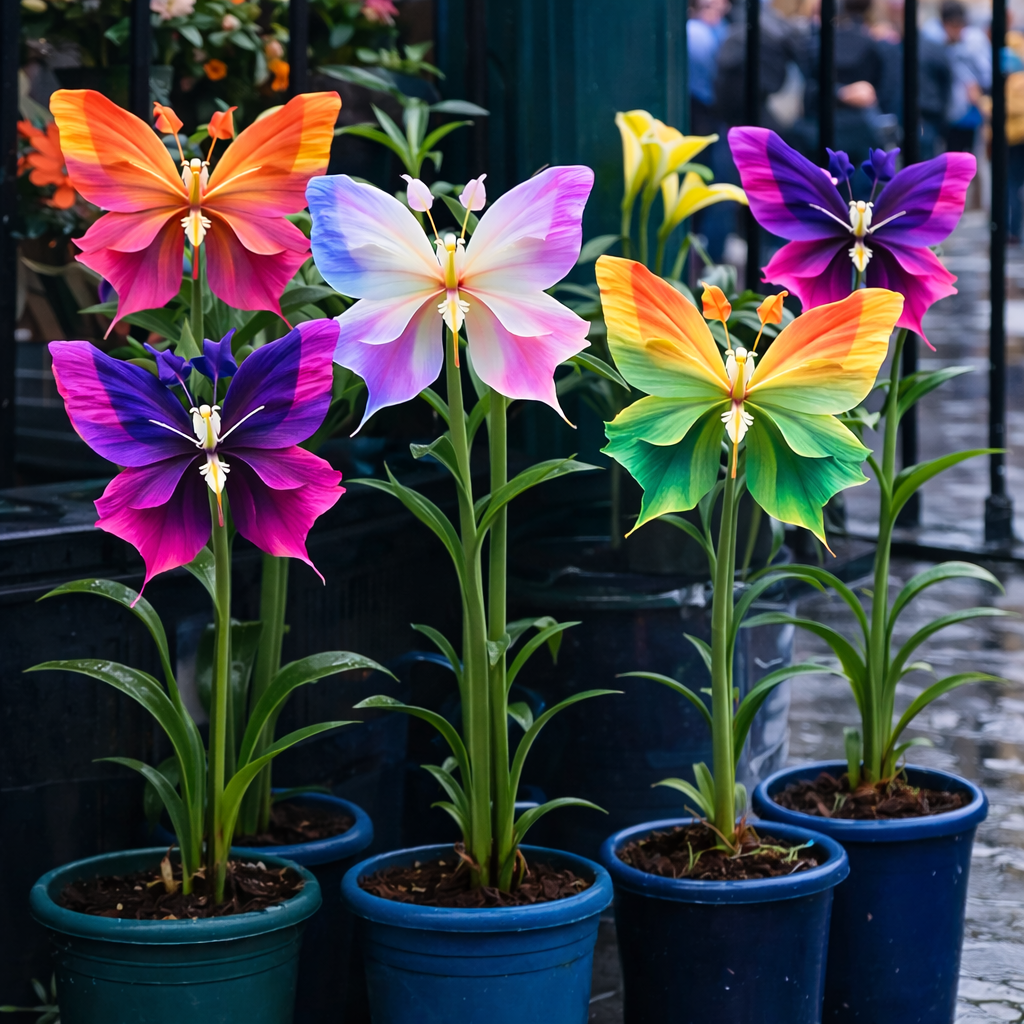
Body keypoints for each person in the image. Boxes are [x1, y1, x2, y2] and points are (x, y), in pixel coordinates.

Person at [940, 0, 987, 152]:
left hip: (970, 112)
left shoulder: (974, 41)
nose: (956, 30)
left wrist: (976, 85)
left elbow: (987, 73)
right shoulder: (935, 40)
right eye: (951, 25)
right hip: (947, 113)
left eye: (959, 25)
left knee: (972, 159)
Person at [689, 0, 732, 136]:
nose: (713, 12)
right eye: (707, 7)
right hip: (700, 102)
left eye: (718, 9)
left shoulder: (723, 28)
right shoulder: (695, 31)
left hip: (714, 104)